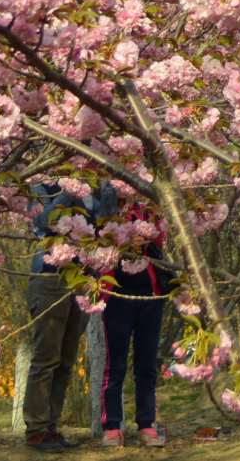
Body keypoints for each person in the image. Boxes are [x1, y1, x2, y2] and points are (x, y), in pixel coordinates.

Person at [23, 178, 114, 451]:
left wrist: (106, 190)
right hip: (50, 278)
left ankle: (51, 427)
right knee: (46, 357)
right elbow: (43, 221)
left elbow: (109, 227)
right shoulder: (43, 186)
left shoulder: (98, 188)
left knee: (65, 360)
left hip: (84, 280)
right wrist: (70, 191)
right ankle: (36, 430)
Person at [99, 204, 173, 448]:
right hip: (117, 297)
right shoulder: (106, 207)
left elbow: (159, 245)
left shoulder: (149, 210)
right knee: (115, 364)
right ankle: (112, 427)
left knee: (147, 364)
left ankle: (146, 424)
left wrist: (151, 228)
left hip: (150, 295)